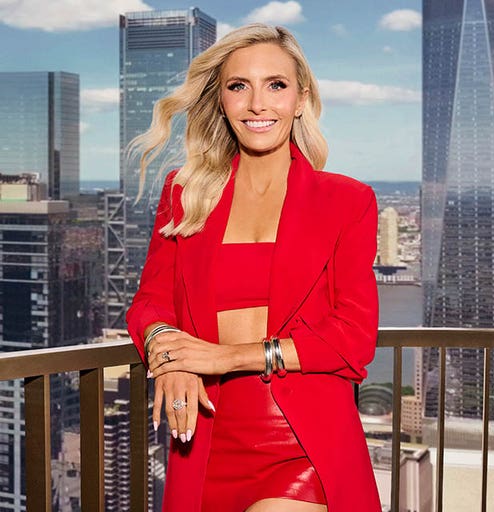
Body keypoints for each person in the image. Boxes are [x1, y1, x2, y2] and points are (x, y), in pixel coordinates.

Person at [126, 24, 380, 511]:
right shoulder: (186, 191)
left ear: (301, 99)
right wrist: (168, 355)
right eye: (239, 86)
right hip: (203, 435)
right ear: (221, 100)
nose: (257, 104)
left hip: (302, 441)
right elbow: (151, 302)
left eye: (276, 85)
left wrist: (223, 357)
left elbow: (353, 335)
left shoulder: (347, 201)